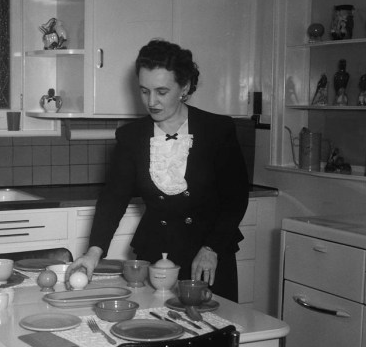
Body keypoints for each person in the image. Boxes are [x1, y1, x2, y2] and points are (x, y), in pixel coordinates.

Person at [65, 39, 250, 302]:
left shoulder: (217, 130)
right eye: (144, 91)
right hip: (155, 257)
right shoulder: (132, 136)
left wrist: (212, 248)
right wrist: (94, 252)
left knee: (212, 331)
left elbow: (235, 199)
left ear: (184, 87)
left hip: (208, 257)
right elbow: (113, 199)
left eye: (162, 92)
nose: (151, 101)